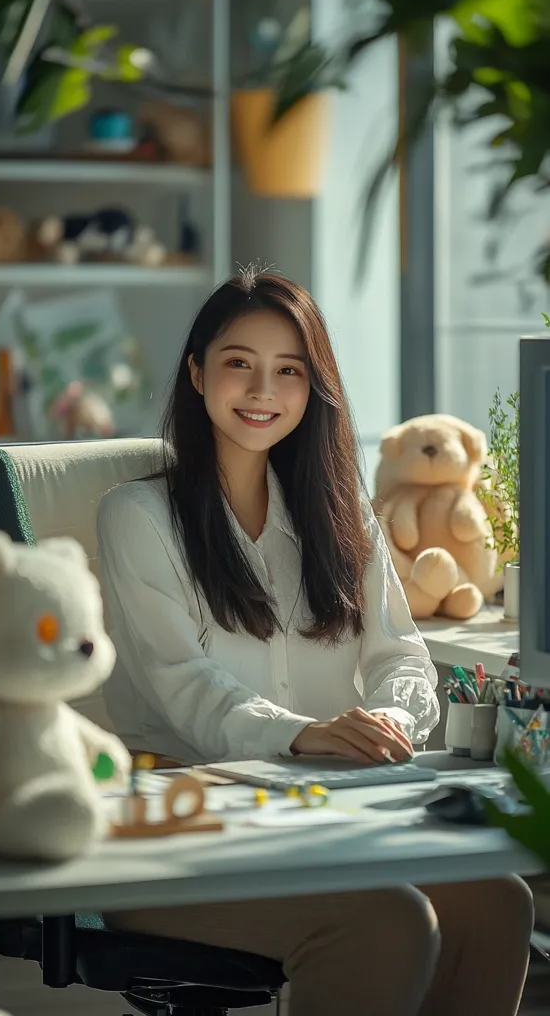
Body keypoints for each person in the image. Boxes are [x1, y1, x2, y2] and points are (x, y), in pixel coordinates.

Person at [97, 267, 533, 1016]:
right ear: (198, 373)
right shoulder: (137, 517)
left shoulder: (343, 518)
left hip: (328, 816)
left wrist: (392, 721)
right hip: (183, 826)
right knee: (389, 923)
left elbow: (401, 655)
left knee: (498, 901)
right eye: (240, 363)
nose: (263, 390)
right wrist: (308, 736)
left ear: (314, 387)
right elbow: (189, 688)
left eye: (289, 370)